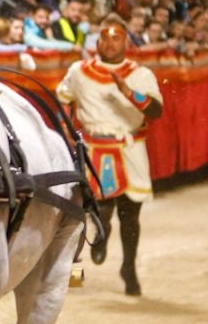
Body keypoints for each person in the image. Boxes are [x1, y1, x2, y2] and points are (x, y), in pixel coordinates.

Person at [60, 15, 164, 296]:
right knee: (98, 209)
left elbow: (155, 111)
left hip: (130, 148)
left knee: (131, 215)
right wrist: (67, 129)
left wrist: (129, 92)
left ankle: (128, 267)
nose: (108, 43)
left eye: (115, 37)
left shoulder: (140, 74)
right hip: (96, 147)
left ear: (126, 41)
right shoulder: (79, 70)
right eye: (103, 37)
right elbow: (64, 97)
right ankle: (99, 239)